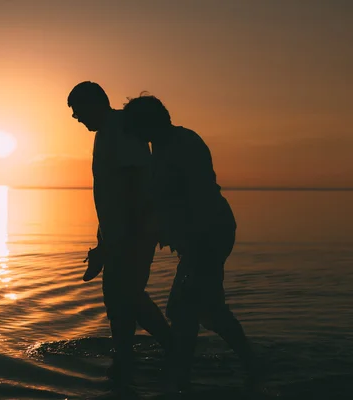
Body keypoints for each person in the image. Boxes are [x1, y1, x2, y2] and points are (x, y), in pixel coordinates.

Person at [122, 94, 264, 392]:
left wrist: (192, 242)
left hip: (208, 234)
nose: (132, 134)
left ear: (148, 123)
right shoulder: (160, 146)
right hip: (199, 237)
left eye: (135, 126)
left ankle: (181, 379)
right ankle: (249, 365)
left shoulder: (184, 144)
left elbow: (196, 195)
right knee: (209, 308)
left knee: (182, 308)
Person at [67, 82, 171, 393]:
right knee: (121, 298)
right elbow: (111, 194)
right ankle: (129, 358)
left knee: (125, 296)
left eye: (77, 111)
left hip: (134, 231)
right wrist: (103, 243)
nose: (74, 117)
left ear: (94, 104)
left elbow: (136, 183)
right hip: (120, 233)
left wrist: (124, 239)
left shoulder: (119, 130)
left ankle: (164, 351)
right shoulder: (107, 133)